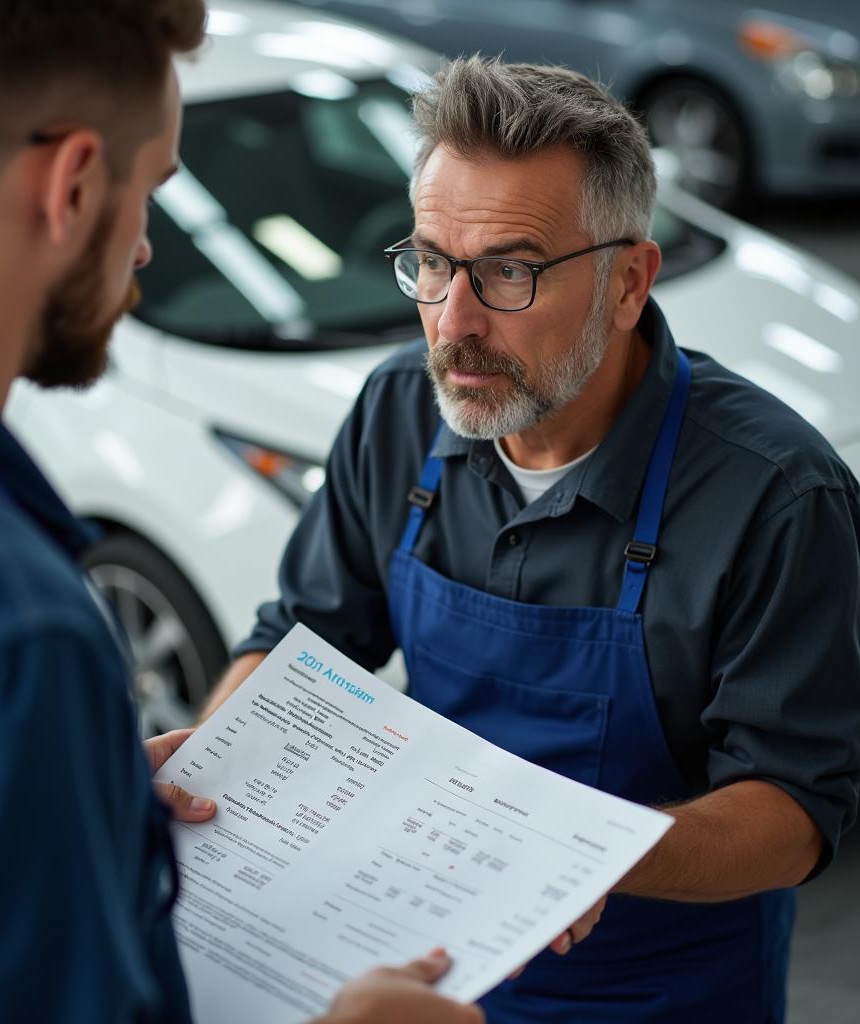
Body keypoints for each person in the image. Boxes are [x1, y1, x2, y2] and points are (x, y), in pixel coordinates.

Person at [0, 2, 485, 1022]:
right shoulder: (4, 626)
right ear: (76, 183)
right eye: (153, 192)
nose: (142, 250)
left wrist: (64, 793)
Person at [203, 57, 860, 1023]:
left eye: (509, 270)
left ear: (629, 280)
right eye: (431, 261)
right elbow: (301, 635)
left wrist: (574, 857)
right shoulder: (398, 412)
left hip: (658, 991)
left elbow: (795, 809)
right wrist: (207, 767)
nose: (453, 324)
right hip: (410, 964)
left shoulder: (775, 494)